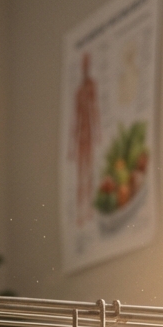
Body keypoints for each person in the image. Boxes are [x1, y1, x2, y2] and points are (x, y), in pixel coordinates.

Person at [71, 52, 100, 227]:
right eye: (83, 64)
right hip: (81, 136)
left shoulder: (91, 87)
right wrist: (72, 145)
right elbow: (76, 118)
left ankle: (89, 209)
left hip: (88, 135)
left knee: (88, 172)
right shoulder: (78, 92)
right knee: (80, 174)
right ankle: (80, 213)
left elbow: (94, 110)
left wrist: (97, 133)